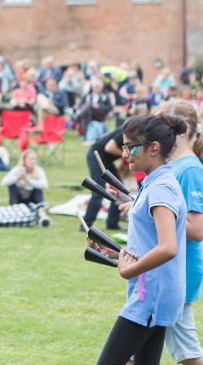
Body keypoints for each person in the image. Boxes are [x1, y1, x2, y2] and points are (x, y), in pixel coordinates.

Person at [94, 114, 187, 365]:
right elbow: (149, 241)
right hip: (154, 291)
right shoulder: (153, 182)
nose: (125, 154)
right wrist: (116, 253)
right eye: (124, 147)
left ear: (154, 148)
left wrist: (129, 270)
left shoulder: (161, 188)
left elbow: (168, 247)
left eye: (130, 147)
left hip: (152, 294)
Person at [153, 101, 203, 365]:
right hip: (163, 270)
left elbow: (197, 229)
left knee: (188, 355)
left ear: (180, 131)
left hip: (177, 273)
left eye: (161, 128)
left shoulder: (190, 170)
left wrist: (156, 214)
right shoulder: (173, 165)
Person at [82, 128, 125, 230]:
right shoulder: (127, 131)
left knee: (119, 190)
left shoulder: (135, 131)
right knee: (99, 190)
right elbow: (110, 148)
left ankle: (112, 223)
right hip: (96, 157)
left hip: (106, 161)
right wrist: (126, 155)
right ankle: (86, 225)